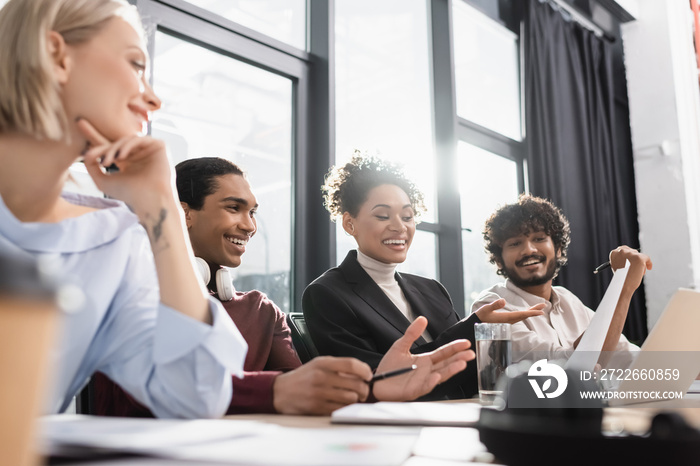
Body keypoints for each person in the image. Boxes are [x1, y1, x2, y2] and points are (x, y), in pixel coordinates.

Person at [0, 0, 250, 418]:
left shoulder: (112, 239)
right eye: (136, 64)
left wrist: (162, 204)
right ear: (57, 56)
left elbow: (193, 397)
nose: (152, 100)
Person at [96, 157, 476, 416]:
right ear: (184, 214)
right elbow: (140, 401)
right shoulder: (129, 294)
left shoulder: (260, 310)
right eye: (234, 208)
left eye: (253, 212)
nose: (250, 225)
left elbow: (307, 389)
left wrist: (379, 384)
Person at [302, 154, 544, 400]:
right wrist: (471, 328)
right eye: (383, 216)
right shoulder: (328, 293)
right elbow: (370, 381)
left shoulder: (431, 289)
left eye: (407, 217)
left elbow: (468, 374)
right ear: (349, 224)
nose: (400, 226)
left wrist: (490, 342)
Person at [471, 193, 652, 362]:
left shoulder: (568, 301)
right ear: (498, 260)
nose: (528, 250)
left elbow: (629, 357)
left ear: (558, 249)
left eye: (539, 239)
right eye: (515, 243)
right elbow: (575, 366)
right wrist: (622, 287)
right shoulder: (491, 307)